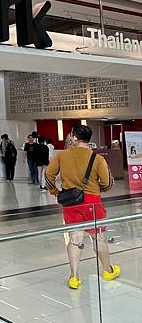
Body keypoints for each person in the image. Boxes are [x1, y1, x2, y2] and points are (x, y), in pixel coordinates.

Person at [45, 124, 120, 290]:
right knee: (98, 237)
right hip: (92, 201)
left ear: (74, 137)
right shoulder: (97, 158)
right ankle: (108, 271)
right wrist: (98, 189)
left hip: (70, 202)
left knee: (75, 238)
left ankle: (74, 277)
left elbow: (48, 174)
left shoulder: (61, 156)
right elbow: (107, 182)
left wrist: (55, 191)